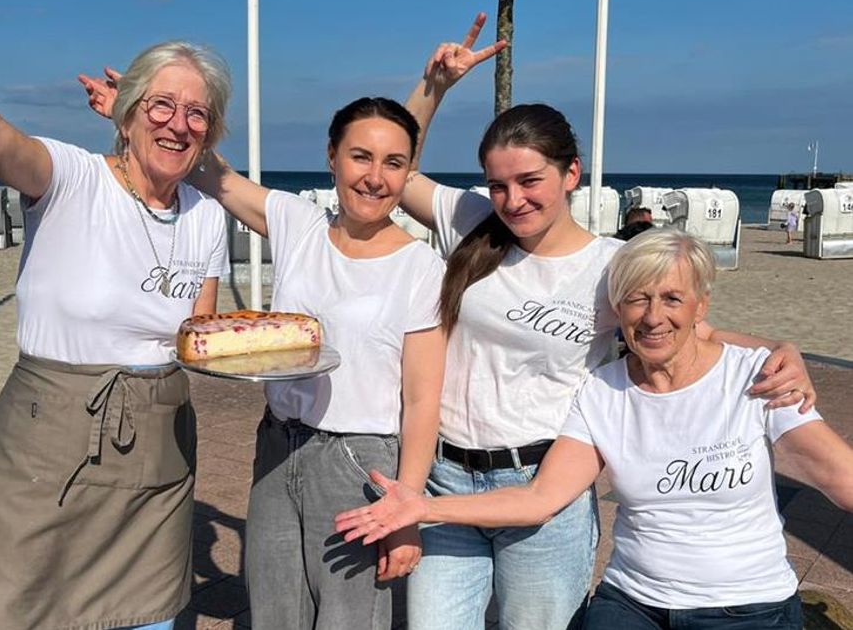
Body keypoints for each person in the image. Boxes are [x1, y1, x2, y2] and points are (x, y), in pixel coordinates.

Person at [385, 14, 818, 630]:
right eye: (499, 184)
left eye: (530, 181)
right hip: (447, 475)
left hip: (546, 488)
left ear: (571, 174)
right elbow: (395, 174)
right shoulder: (474, 222)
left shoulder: (611, 266)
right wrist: (435, 86)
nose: (514, 200)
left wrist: (782, 349)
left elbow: (690, 332)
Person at [0, 0, 231, 629]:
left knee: (151, 619)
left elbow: (200, 341)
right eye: (161, 104)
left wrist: (271, 360)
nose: (179, 124)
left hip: (158, 459)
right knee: (17, 612)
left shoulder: (207, 217)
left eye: (198, 114)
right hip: (48, 447)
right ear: (125, 115)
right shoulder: (71, 178)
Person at [336, 228, 853, 630]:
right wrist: (422, 507)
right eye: (636, 299)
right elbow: (540, 498)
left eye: (672, 299)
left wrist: (778, 346)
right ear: (616, 309)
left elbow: (838, 475)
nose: (653, 317)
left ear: (701, 306)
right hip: (634, 603)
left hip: (748, 606)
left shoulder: (756, 377)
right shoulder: (601, 390)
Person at [80, 75, 447, 628]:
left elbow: (423, 400)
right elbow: (213, 175)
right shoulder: (300, 224)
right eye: (360, 157)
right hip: (277, 444)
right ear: (331, 158)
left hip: (361, 464)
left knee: (350, 619)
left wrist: (406, 510)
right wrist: (132, 114)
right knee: (274, 613)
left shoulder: (421, 268)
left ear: (408, 171)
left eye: (393, 163)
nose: (375, 177)